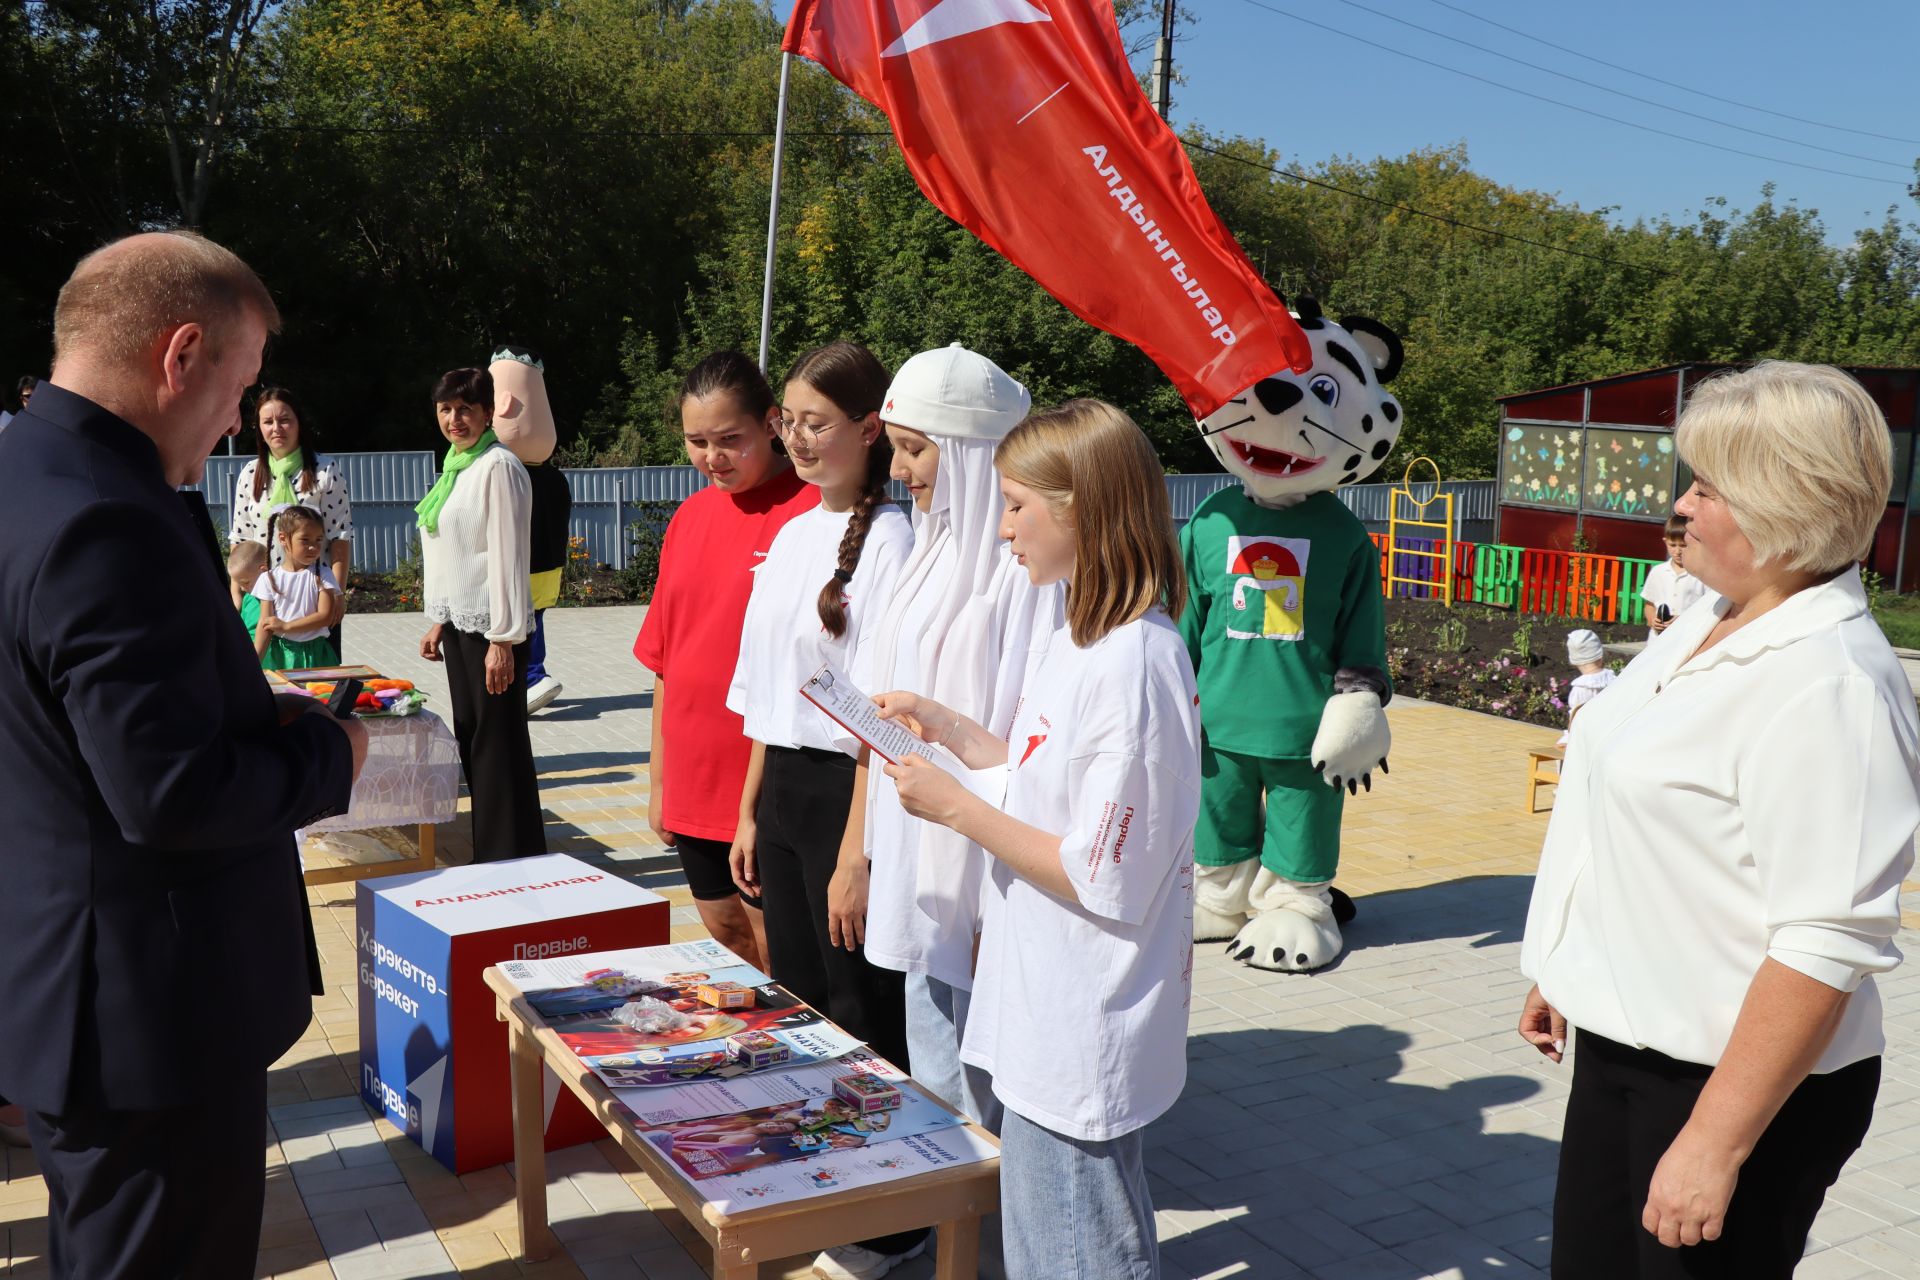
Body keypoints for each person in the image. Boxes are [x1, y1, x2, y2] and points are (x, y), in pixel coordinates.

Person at [0, 229, 367, 1279]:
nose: (236, 424)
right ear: (182, 355)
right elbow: (170, 793)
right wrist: (330, 757)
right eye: (239, 386)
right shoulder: (107, 521)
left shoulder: (24, 468)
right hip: (147, 1025)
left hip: (70, 998)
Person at [1519, 362, 1920, 1279]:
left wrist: (1714, 1145)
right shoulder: (1707, 615)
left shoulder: (1832, 685)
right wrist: (1563, 961)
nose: (1682, 508)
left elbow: (1826, 939)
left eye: (1709, 489)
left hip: (1733, 1092)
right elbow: (1620, 800)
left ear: (1791, 506)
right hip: (1626, 1054)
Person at [882, 399, 1200, 1280]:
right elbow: (1040, 785)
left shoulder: (1133, 661)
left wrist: (952, 808)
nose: (1002, 530)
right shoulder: (1078, 632)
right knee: (1074, 1232)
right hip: (1042, 997)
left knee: (1074, 1250)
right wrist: (948, 727)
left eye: (1018, 505)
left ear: (1084, 509)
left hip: (1080, 1013)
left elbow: (1100, 873)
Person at [723, 342, 922, 1280]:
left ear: (870, 428)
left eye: (815, 423)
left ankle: (893, 1217)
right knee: (801, 995)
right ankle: (826, 1179)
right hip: (789, 790)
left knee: (863, 1003)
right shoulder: (796, 532)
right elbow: (775, 691)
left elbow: (881, 718)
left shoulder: (894, 543)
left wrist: (858, 852)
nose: (796, 440)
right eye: (787, 423)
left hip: (855, 794)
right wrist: (750, 810)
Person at [850, 343, 1054, 1143]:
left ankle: (985, 1241)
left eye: (914, 448)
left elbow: (1025, 741)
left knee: (983, 1078)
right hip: (916, 845)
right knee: (934, 1062)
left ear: (971, 454)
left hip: (981, 854)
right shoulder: (926, 553)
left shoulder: (1024, 574)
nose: (899, 471)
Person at [636, 351, 818, 970]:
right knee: (726, 932)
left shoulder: (810, 513)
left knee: (782, 952)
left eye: (729, 440)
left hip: (761, 777)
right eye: (696, 442)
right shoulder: (687, 518)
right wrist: (660, 781)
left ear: (772, 423)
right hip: (693, 768)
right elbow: (667, 660)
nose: (712, 457)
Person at [417, 366, 546, 862]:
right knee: (475, 740)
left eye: (466, 408)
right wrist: (440, 619)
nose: (455, 419)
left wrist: (503, 639)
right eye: (446, 409)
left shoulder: (497, 467)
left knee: (499, 746)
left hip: (494, 632)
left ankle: (510, 855)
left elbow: (508, 556)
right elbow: (455, 555)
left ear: (488, 412)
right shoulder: (457, 469)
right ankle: (495, 851)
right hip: (463, 628)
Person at [230, 387, 352, 651]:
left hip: (313, 600)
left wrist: (339, 593)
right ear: (259, 428)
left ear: (298, 423)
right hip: (263, 599)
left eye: (285, 420)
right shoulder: (250, 474)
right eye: (268, 421)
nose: (277, 428)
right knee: (261, 678)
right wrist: (236, 593)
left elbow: (340, 537)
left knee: (316, 681)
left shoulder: (324, 471)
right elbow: (241, 538)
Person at [485, 347, 572, 714]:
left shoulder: (507, 472)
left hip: (523, 564)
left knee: (523, 624)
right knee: (533, 619)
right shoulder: (553, 476)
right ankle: (533, 675)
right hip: (549, 564)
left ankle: (534, 678)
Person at [253, 504, 344, 669]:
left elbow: (326, 616)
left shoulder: (323, 574)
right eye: (305, 540)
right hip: (280, 655)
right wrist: (252, 663)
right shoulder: (268, 579)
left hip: (315, 654)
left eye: (318, 540)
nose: (313, 547)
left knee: (319, 694)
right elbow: (265, 624)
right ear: (283, 539)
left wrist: (287, 626)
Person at [1641, 513, 1709, 638]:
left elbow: (1708, 609)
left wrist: (1684, 620)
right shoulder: (1658, 572)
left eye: (1683, 545)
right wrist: (1652, 620)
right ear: (1665, 542)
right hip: (1658, 639)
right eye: (1673, 545)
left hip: (1686, 638)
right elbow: (1649, 604)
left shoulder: (1701, 574)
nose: (1677, 551)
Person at [1556, 628, 1616, 748]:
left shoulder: (1580, 688)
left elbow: (1574, 724)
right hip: (1612, 735)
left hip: (1586, 741)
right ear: (1600, 654)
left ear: (1573, 660)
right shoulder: (1613, 680)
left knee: (1561, 745)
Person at [228, 537, 270, 641]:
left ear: (264, 571)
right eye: (239, 584)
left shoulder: (272, 600)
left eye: (246, 582)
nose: (242, 588)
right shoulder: (248, 598)